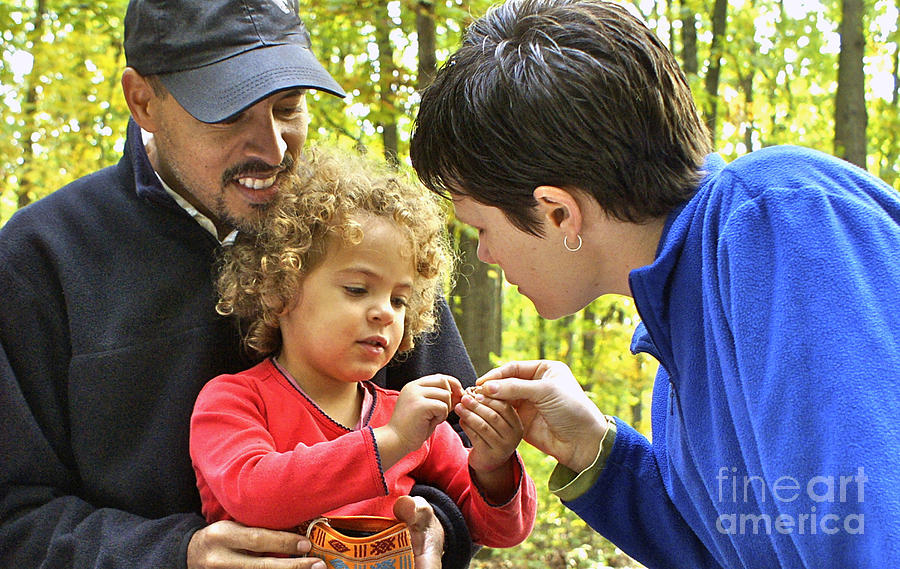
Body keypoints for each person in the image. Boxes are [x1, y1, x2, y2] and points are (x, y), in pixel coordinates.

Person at [409, 0, 900, 567]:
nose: (485, 255)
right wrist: (595, 449)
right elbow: (735, 546)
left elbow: (867, 526)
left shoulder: (775, 220)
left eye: (481, 228)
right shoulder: (682, 316)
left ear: (559, 213)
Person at [0, 1, 481, 568]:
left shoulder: (360, 231)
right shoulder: (42, 258)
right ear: (143, 101)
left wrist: (434, 523)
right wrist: (173, 555)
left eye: (287, 108)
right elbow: (14, 517)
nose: (273, 149)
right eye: (229, 113)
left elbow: (461, 454)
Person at [190, 149, 536, 551]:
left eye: (400, 300)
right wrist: (390, 441)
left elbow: (499, 532)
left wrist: (494, 466)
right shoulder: (233, 401)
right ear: (280, 290)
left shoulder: (411, 420)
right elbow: (254, 495)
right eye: (357, 289)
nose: (384, 313)